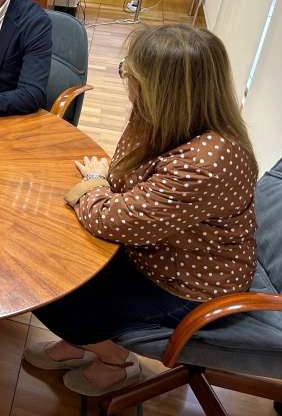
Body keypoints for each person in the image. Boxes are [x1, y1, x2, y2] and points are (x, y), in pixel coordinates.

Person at [23, 24, 258, 397]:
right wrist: (101, 188)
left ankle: (114, 361)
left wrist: (94, 188)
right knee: (45, 247)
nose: (125, 78)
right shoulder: (158, 118)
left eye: (130, 73)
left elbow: (110, 217)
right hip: (152, 247)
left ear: (161, 88)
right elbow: (119, 179)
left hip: (187, 285)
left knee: (42, 287)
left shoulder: (209, 160)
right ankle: (83, 339)